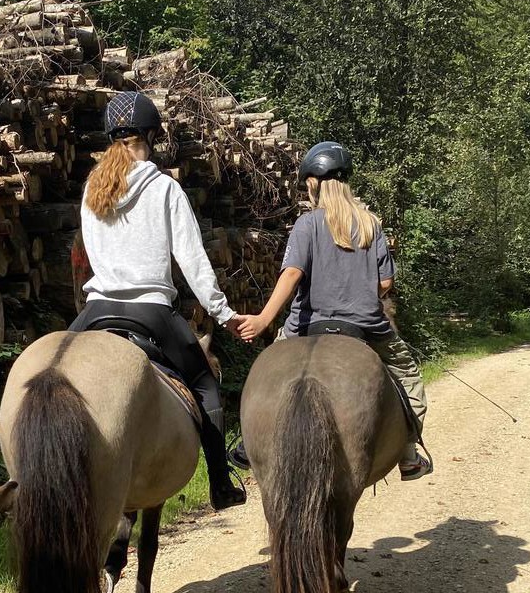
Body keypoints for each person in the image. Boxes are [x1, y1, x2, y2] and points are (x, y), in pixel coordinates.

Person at [70, 90, 249, 509]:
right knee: (205, 386)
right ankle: (221, 484)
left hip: (96, 309)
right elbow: (193, 261)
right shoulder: (164, 188)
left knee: (48, 379)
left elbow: (93, 258)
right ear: (150, 137)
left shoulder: (91, 191)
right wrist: (224, 314)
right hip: (151, 311)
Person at [238, 141, 431, 480]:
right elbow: (385, 284)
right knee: (406, 377)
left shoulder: (306, 225)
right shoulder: (372, 225)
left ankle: (246, 441)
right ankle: (408, 453)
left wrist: (264, 319)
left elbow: (293, 273)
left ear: (312, 183)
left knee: (266, 377)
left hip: (306, 326)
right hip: (365, 329)